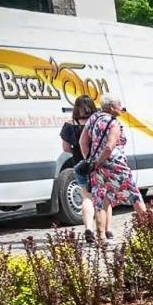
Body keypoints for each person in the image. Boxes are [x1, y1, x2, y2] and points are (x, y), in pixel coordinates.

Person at [79, 94, 149, 248]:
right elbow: (110, 147)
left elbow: (82, 141)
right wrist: (100, 160)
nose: (121, 107)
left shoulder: (93, 118)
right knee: (133, 194)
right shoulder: (114, 123)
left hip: (97, 167)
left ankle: (102, 238)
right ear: (111, 106)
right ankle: (149, 229)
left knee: (101, 199)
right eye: (119, 104)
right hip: (115, 164)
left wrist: (90, 159)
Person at [61, 95, 97, 242]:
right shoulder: (96, 122)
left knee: (86, 197)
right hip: (98, 163)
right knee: (101, 197)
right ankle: (105, 231)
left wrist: (77, 153)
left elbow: (65, 148)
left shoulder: (69, 125)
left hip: (79, 164)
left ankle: (89, 228)